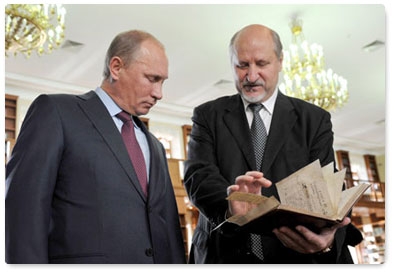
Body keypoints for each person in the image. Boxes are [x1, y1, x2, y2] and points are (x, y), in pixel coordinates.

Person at [183, 24, 363, 264]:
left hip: (295, 255)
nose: (251, 75)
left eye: (262, 63)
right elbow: (199, 176)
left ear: (280, 61)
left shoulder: (315, 119)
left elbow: (327, 186)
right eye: (242, 65)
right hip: (224, 252)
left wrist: (327, 239)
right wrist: (230, 204)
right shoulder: (207, 115)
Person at [5, 30, 186, 264]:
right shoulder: (57, 112)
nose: (159, 93)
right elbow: (23, 211)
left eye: (162, 82)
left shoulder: (155, 147)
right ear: (116, 67)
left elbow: (169, 227)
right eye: (152, 79)